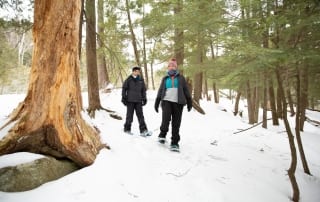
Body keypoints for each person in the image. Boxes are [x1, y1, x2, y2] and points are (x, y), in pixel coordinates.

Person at [154, 58, 192, 152]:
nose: (172, 67)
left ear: (176, 68)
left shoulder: (181, 78)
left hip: (178, 103)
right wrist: (157, 101)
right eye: (170, 66)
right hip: (166, 101)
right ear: (168, 67)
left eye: (174, 66)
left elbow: (186, 90)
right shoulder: (165, 78)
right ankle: (162, 135)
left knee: (176, 123)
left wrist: (189, 101)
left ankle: (174, 142)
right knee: (165, 120)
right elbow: (160, 90)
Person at [122, 66, 151, 136]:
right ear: (133, 71)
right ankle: (127, 129)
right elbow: (124, 88)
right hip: (130, 101)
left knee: (140, 116)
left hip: (138, 101)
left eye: (139, 71)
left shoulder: (141, 80)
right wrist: (124, 98)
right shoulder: (128, 79)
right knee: (129, 116)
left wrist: (144, 98)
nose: (138, 73)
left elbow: (143, 90)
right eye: (137, 71)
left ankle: (143, 130)